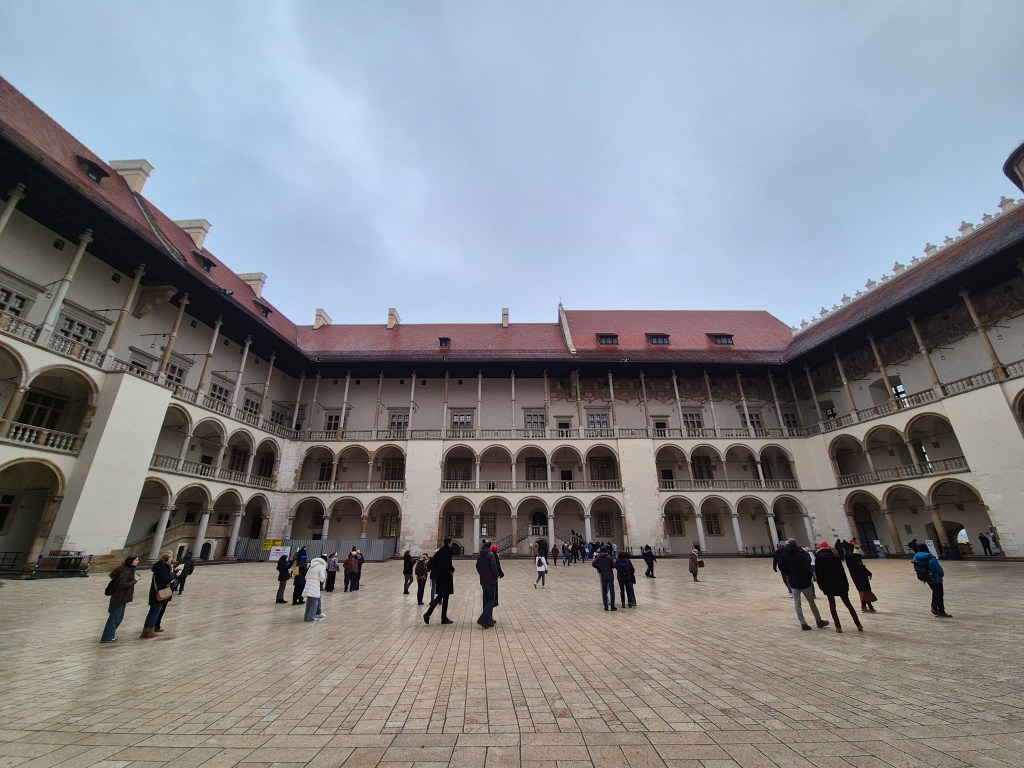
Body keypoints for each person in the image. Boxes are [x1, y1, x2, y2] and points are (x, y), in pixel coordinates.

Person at [776, 538, 830, 631]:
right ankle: (818, 620)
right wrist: (809, 576)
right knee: (811, 602)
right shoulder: (800, 553)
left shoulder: (784, 554)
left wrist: (789, 574)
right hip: (804, 581)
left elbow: (781, 566)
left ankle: (803, 623)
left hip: (793, 582)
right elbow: (807, 563)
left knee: (797, 603)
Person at [813, 542, 863, 633]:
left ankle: (838, 626)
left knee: (832, 605)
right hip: (840, 582)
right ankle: (858, 624)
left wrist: (821, 586)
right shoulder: (835, 556)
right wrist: (846, 584)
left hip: (828, 584)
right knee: (848, 604)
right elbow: (842, 571)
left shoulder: (819, 558)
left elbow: (819, 574)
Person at [101, 555, 138, 643]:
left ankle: (111, 635)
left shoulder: (129, 570)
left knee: (119, 617)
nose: (138, 562)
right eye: (136, 560)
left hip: (123, 597)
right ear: (130, 561)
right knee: (114, 617)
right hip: (119, 597)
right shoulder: (125, 571)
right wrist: (135, 581)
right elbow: (122, 585)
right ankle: (107, 637)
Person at [141, 552, 175, 639]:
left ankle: (145, 631)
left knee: (152, 612)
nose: (172, 559)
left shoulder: (158, 566)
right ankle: (151, 631)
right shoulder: (163, 567)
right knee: (155, 612)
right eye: (171, 558)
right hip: (160, 593)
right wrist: (172, 576)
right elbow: (164, 579)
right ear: (167, 559)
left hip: (155, 592)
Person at [913, 544, 951, 617]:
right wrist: (941, 574)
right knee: (939, 594)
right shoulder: (930, 557)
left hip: (926, 577)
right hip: (936, 578)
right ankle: (941, 611)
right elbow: (938, 569)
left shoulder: (916, 558)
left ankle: (934, 608)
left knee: (935, 592)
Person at [423, 538, 454, 625]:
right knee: (445, 597)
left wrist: (436, 569)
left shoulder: (439, 551)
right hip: (446, 576)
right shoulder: (448, 551)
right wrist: (452, 569)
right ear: (449, 543)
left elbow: (431, 562)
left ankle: (429, 614)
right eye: (451, 543)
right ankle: (442, 618)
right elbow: (448, 563)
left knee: (440, 596)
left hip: (439, 577)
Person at [846, 545, 877, 612]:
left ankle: (868, 606)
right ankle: (865, 606)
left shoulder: (849, 559)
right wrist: (868, 573)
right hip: (861, 577)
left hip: (855, 577)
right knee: (865, 591)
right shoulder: (856, 559)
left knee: (863, 591)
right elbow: (861, 567)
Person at [476, 541, 499, 629]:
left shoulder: (480, 555)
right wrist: (496, 575)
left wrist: (482, 574)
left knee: (486, 600)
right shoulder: (490, 555)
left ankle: (488, 620)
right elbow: (493, 566)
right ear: (489, 547)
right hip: (491, 580)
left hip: (483, 580)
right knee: (491, 600)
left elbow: (477, 566)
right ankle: (482, 618)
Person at [302, 554, 327, 621]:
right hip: (315, 585)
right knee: (315, 601)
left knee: (309, 602)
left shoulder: (312, 566)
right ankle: (311, 617)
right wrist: (321, 579)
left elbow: (306, 576)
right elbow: (322, 577)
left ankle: (306, 617)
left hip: (308, 584)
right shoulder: (321, 566)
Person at [591, 546, 617, 611]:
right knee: (612, 591)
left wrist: (599, 567)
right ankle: (612, 606)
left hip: (603, 575)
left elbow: (593, 563)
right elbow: (613, 565)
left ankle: (606, 606)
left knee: (604, 591)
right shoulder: (609, 557)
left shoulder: (599, 557)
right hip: (610, 575)